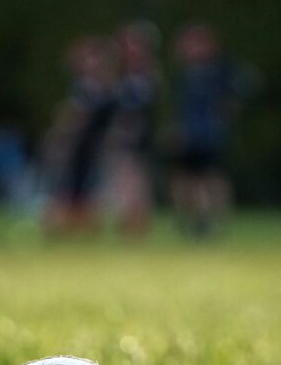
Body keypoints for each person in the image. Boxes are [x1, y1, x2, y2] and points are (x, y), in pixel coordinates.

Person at [169, 22, 246, 238]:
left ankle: (215, 220)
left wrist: (222, 120)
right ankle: (191, 220)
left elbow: (236, 97)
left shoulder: (220, 71)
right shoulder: (183, 74)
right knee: (185, 178)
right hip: (189, 135)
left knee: (212, 177)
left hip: (210, 135)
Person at [42, 36, 116, 235]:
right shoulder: (82, 86)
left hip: (93, 146)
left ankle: (80, 227)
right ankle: (66, 227)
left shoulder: (103, 88)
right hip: (78, 146)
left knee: (87, 188)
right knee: (69, 186)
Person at [102, 22, 160, 236]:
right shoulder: (121, 74)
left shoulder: (147, 73)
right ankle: (126, 222)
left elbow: (142, 105)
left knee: (135, 177)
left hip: (137, 134)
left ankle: (137, 223)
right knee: (121, 176)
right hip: (121, 133)